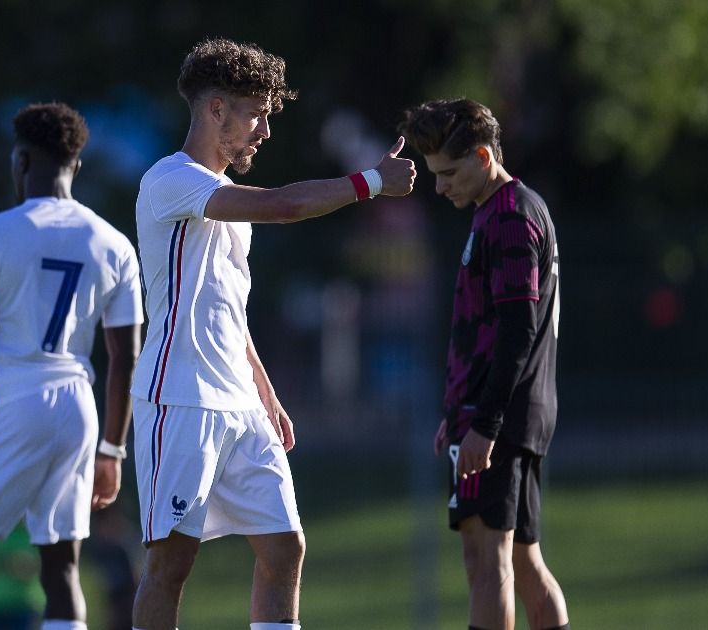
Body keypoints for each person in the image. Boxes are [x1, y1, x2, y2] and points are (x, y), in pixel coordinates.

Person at [129, 38, 415, 630]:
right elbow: (285, 206)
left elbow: (227, 310)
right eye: (256, 114)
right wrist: (371, 182)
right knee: (171, 563)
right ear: (216, 109)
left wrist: (266, 391)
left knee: (285, 547)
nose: (264, 131)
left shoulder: (223, 200)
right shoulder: (171, 179)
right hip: (180, 397)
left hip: (240, 401)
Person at [0, 102, 143, 630]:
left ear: (22, 160)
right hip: (78, 408)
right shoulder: (114, 243)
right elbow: (125, 356)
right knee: (62, 566)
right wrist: (113, 450)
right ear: (77, 165)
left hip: (12, 398)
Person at [398, 98, 569, 630]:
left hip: (501, 416)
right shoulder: (497, 211)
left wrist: (484, 423)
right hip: (497, 411)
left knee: (487, 562)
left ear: (481, 157)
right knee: (522, 560)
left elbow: (518, 330)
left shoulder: (511, 216)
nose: (439, 186)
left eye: (449, 173)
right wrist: (458, 411)